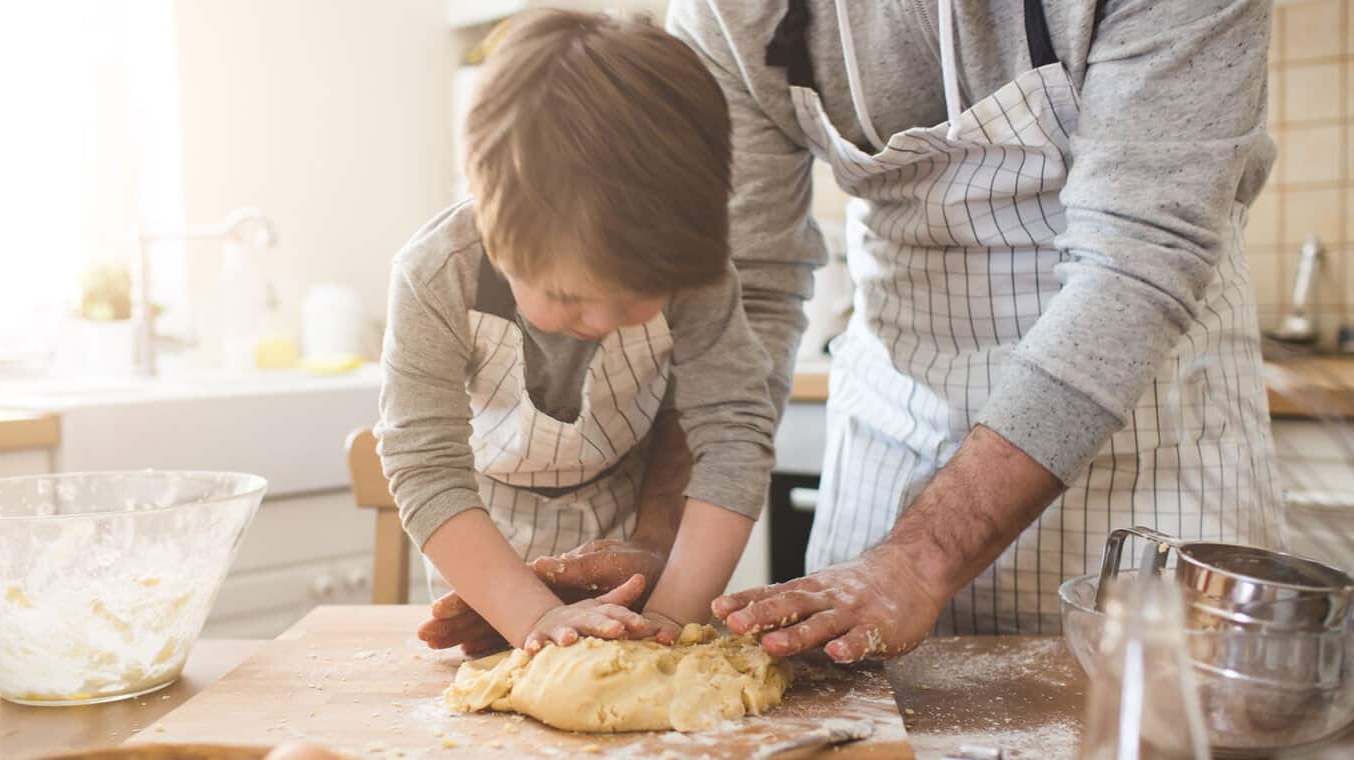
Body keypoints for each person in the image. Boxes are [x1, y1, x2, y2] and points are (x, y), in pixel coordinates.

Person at [422, 0, 1282, 664]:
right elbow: (740, 295)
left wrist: (921, 558)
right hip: (892, 434)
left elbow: (1138, 261)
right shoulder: (731, 12)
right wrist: (662, 552)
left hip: (1148, 443)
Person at [379, 8, 778, 654]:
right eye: (566, 295)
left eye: (632, 299)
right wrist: (531, 618)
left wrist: (672, 617)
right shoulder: (436, 277)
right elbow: (426, 468)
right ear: (495, 236)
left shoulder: (693, 270)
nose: (598, 323)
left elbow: (734, 436)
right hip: (487, 548)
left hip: (637, 547)